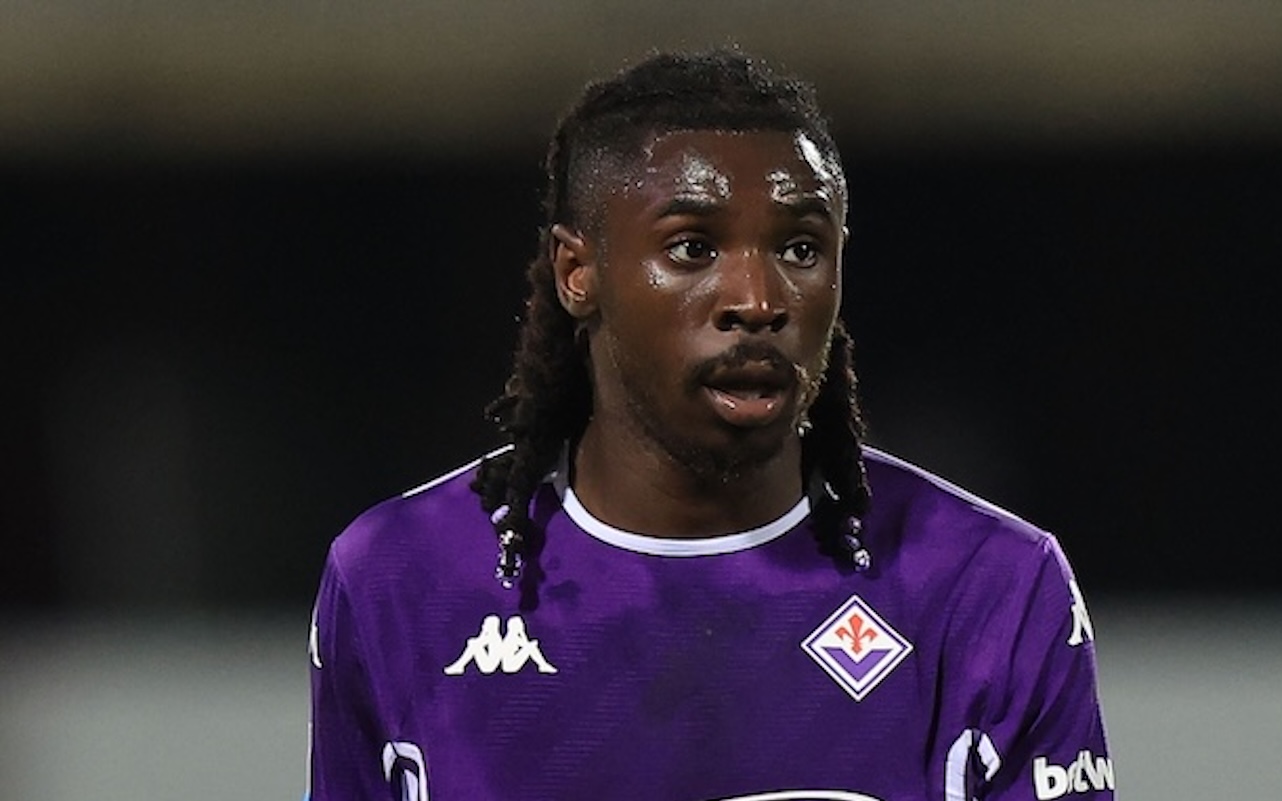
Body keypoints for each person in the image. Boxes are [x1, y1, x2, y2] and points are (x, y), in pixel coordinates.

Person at [307, 50, 1114, 801]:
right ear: (577, 272)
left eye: (800, 249)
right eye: (693, 248)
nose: (757, 302)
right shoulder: (398, 578)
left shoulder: (988, 585)